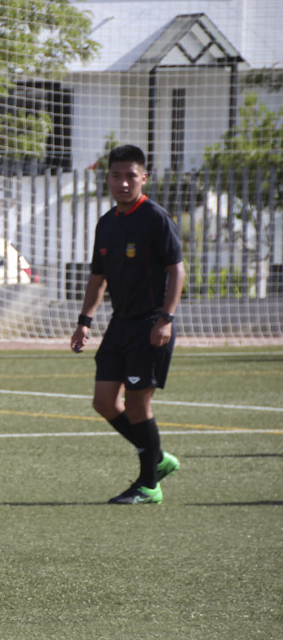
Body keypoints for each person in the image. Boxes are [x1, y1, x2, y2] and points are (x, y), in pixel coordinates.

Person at [71, 144, 185, 505]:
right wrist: (84, 321)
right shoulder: (106, 224)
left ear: (143, 178)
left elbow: (176, 269)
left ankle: (149, 484)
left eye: (130, 176)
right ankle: (157, 457)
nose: (123, 183)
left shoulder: (155, 218)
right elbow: (97, 276)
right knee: (104, 401)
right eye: (117, 176)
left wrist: (165, 319)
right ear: (108, 178)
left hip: (152, 323)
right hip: (120, 325)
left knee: (138, 403)